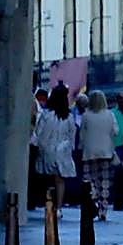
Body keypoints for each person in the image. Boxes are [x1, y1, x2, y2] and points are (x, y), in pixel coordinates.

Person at [33, 84, 78, 212]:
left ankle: (48, 204)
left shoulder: (46, 115)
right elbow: (72, 135)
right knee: (60, 180)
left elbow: (38, 132)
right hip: (62, 151)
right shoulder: (68, 117)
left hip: (47, 149)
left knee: (47, 180)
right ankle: (59, 207)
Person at [79, 90, 118, 221]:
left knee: (90, 181)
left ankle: (93, 201)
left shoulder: (86, 115)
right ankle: (103, 209)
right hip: (106, 152)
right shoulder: (110, 115)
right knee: (105, 182)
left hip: (89, 152)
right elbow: (116, 131)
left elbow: (82, 135)